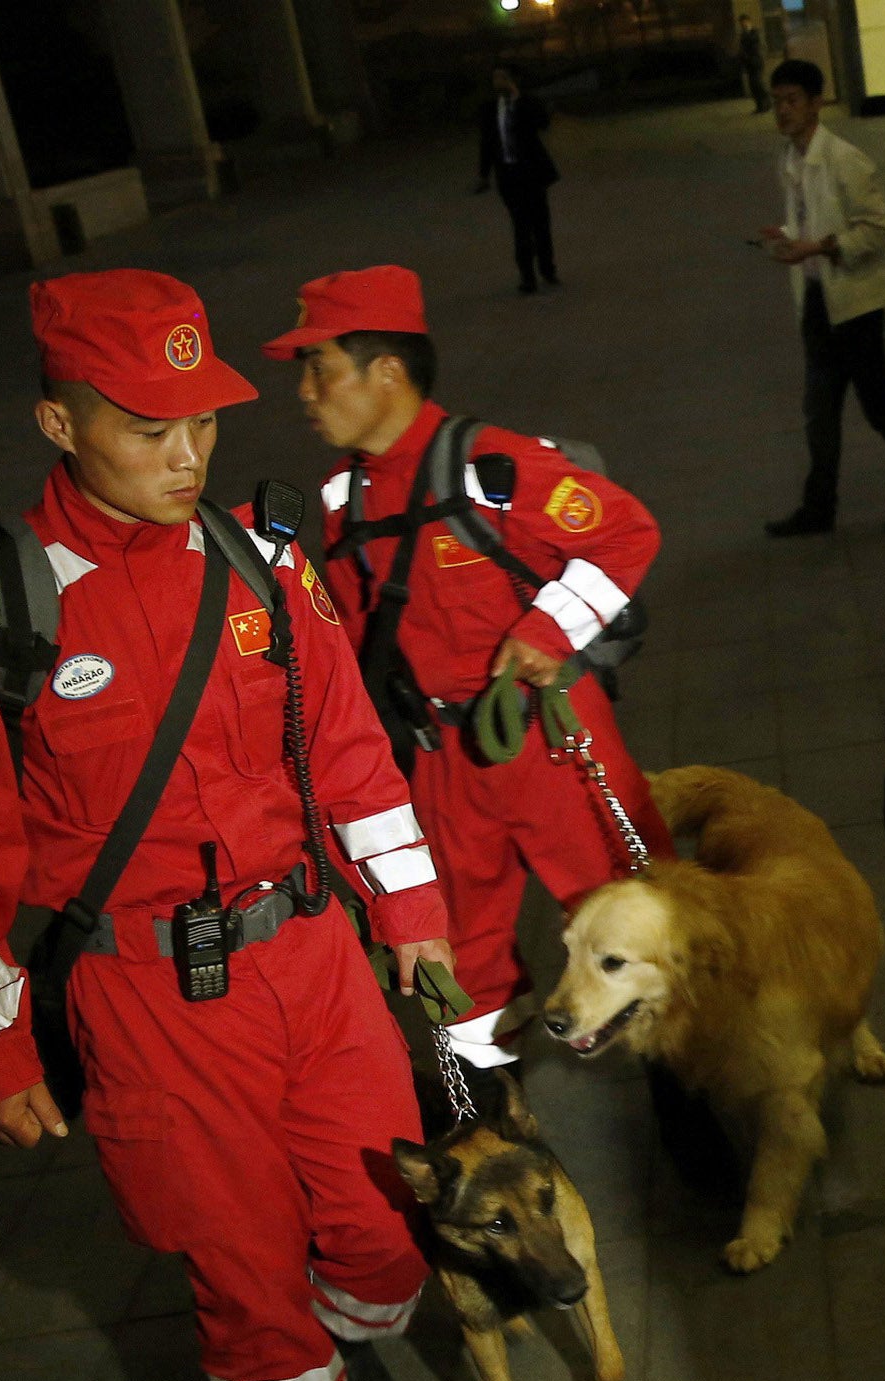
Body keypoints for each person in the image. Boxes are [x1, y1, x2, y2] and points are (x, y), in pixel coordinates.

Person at [0, 271, 453, 1381]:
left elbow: (358, 764)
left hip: (314, 964)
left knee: (381, 1219)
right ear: (57, 426)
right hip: (151, 1003)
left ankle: (337, 1343)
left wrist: (414, 914)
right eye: (147, 427)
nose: (186, 454)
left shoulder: (262, 564)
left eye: (201, 422)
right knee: (239, 1258)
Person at [265, 265, 671, 1073]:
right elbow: (349, 643)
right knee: (461, 958)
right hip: (441, 763)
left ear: (387, 371)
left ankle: (692, 1099)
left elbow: (625, 532)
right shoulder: (344, 498)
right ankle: (492, 1114)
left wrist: (549, 627)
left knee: (641, 921)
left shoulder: (495, 466)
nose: (306, 392)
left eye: (320, 367)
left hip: (548, 736)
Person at [758, 59, 885, 537]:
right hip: (820, 300)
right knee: (819, 411)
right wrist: (786, 238)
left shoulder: (845, 159)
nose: (783, 109)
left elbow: (877, 231)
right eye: (777, 100)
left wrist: (818, 246)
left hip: (857, 305)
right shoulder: (791, 159)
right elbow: (809, 224)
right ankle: (818, 509)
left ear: (817, 103)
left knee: (880, 407)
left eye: (792, 100)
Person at [474, 66, 559, 295]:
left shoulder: (527, 103)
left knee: (541, 224)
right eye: (495, 78)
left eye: (502, 78)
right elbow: (487, 143)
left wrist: (518, 97)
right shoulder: (489, 109)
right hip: (509, 176)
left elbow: (542, 123)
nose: (498, 82)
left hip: (533, 173)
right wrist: (483, 174)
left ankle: (547, 269)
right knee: (521, 227)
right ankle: (527, 277)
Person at [735, 14, 770, 111]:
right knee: (753, 86)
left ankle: (767, 102)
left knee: (758, 83)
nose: (743, 24)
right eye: (741, 22)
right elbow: (742, 48)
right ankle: (759, 106)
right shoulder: (743, 34)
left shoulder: (754, 32)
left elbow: (756, 46)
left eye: (744, 21)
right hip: (748, 63)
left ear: (749, 21)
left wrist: (747, 54)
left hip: (756, 62)